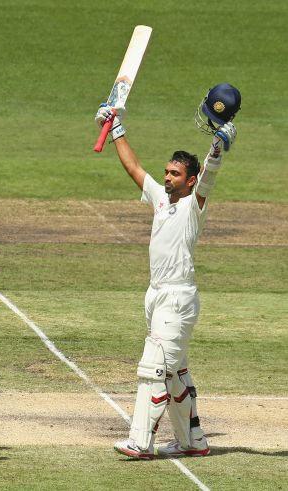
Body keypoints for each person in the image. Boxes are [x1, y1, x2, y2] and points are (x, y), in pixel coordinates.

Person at [95, 83, 241, 459]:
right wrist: (115, 126)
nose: (168, 177)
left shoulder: (195, 205)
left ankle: (140, 442)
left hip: (177, 298)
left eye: (175, 174)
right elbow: (133, 167)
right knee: (175, 373)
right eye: (167, 172)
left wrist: (217, 148)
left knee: (152, 369)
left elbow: (209, 176)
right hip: (157, 294)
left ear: (189, 180)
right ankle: (193, 441)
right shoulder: (161, 198)